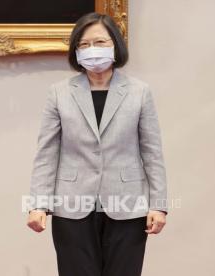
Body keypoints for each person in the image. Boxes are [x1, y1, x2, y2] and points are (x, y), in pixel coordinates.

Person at [27, 12, 167, 276]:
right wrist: (38, 204)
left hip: (127, 207)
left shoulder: (139, 92)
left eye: (100, 42)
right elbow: (47, 153)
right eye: (84, 44)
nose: (93, 50)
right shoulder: (59, 93)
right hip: (72, 208)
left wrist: (158, 205)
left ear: (115, 44)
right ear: (75, 51)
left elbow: (152, 152)